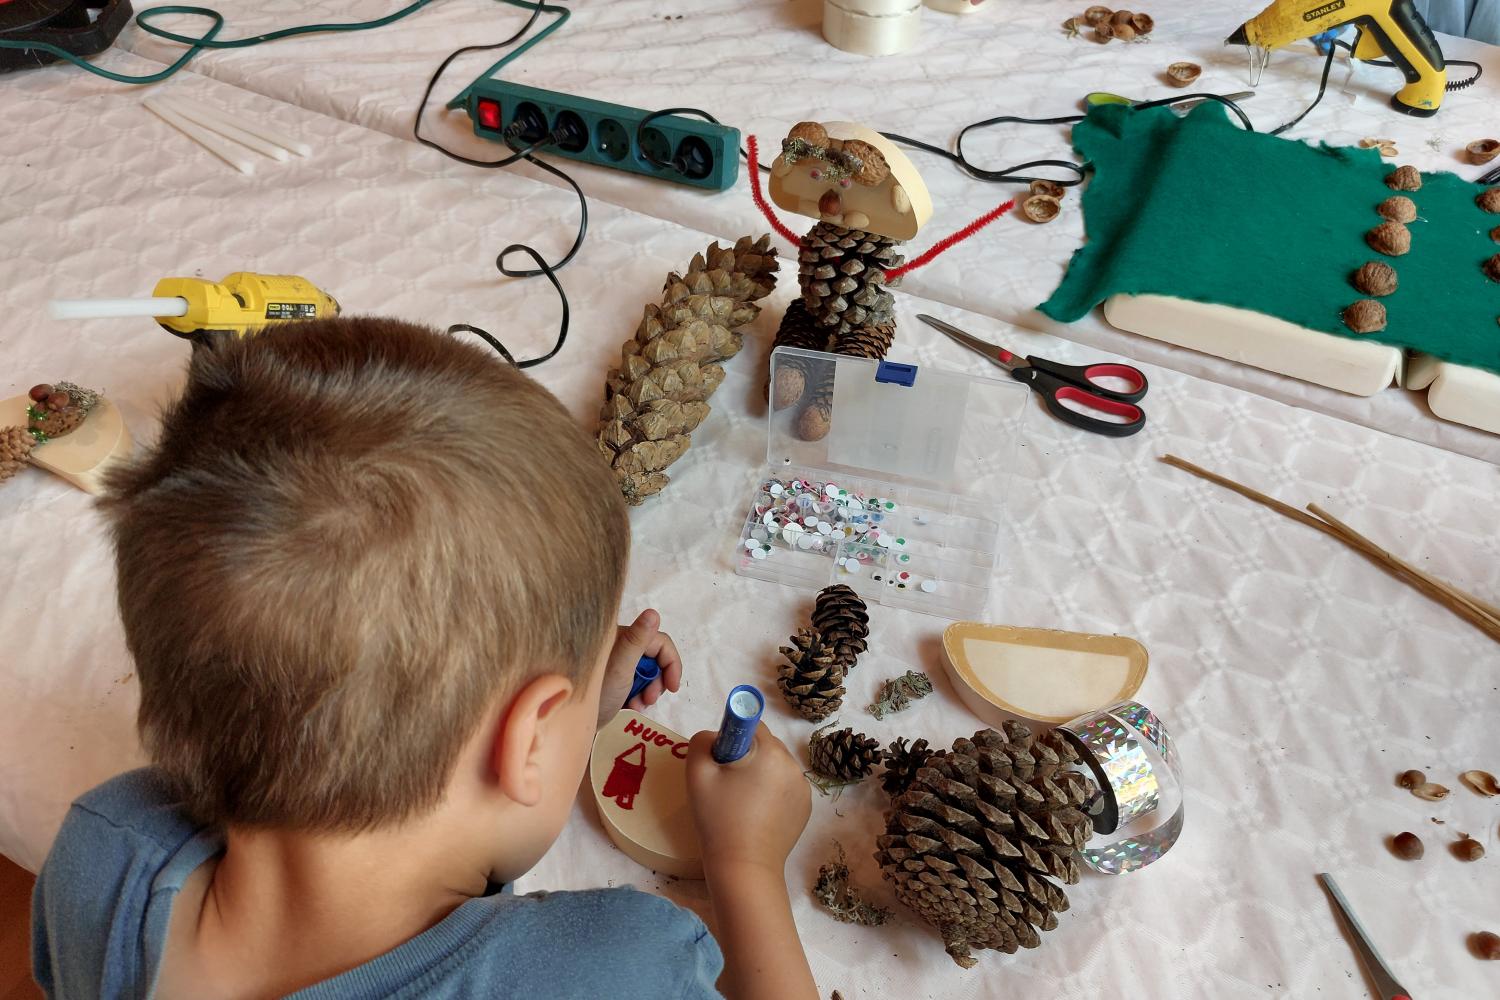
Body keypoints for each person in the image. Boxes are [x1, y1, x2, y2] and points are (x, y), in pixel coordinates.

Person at [30, 317, 817, 1000]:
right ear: (527, 735)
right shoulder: (619, 970)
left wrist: (561, 716)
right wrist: (746, 865)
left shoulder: (104, 851)